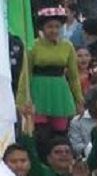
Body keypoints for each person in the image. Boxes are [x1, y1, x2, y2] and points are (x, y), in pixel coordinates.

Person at [16, 6, 83, 135]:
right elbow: (25, 74)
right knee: (40, 134)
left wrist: (79, 100)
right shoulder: (33, 46)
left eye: (57, 26)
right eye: (50, 26)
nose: (54, 30)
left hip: (60, 95)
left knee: (60, 133)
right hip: (38, 94)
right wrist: (21, 100)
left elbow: (74, 76)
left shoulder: (67, 46)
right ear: (42, 28)